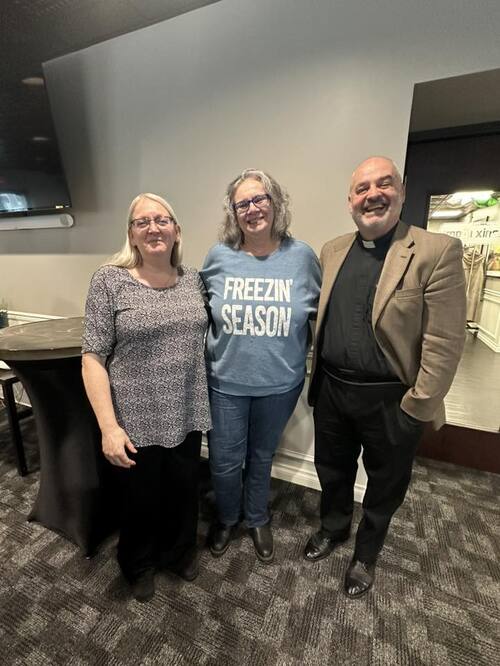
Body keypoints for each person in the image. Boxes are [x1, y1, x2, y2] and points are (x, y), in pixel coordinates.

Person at [304, 156, 466, 598]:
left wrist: (417, 407)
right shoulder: (332, 250)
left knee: (385, 484)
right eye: (362, 188)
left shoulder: (436, 251)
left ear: (402, 191)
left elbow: (445, 341)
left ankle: (366, 555)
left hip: (392, 399)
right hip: (333, 390)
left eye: (384, 184)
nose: (373, 195)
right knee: (331, 470)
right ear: (350, 201)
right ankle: (334, 527)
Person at [82, 193, 211, 602]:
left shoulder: (193, 279)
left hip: (187, 410)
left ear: (177, 231)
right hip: (133, 418)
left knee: (184, 491)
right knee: (140, 500)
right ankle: (137, 563)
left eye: (162, 220)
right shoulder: (109, 281)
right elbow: (92, 358)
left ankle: (179, 553)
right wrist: (109, 428)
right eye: (143, 222)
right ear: (132, 235)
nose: (153, 228)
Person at [201, 168, 321, 563]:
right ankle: (226, 518)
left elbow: (319, 315)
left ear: (275, 203)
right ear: (233, 213)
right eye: (243, 204)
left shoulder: (302, 257)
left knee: (262, 455)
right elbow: (199, 312)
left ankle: (256, 517)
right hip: (226, 383)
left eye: (260, 199)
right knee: (224, 461)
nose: (252, 209)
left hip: (279, 384)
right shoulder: (218, 257)